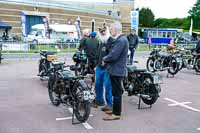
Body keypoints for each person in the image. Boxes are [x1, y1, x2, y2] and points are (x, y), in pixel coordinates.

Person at [102, 21, 128, 121]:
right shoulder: (121, 39)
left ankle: (116, 113)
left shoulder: (121, 40)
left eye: (111, 29)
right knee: (116, 91)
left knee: (117, 93)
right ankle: (114, 110)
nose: (110, 31)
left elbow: (113, 55)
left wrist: (105, 59)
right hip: (116, 70)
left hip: (117, 70)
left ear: (116, 30)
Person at [94, 26, 115, 112]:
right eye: (101, 31)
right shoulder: (101, 41)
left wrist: (106, 62)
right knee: (98, 84)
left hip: (107, 68)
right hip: (99, 67)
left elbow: (112, 55)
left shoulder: (111, 41)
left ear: (107, 31)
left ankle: (110, 104)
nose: (102, 32)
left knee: (108, 86)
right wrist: (96, 65)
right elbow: (98, 54)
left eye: (104, 31)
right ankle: (99, 100)